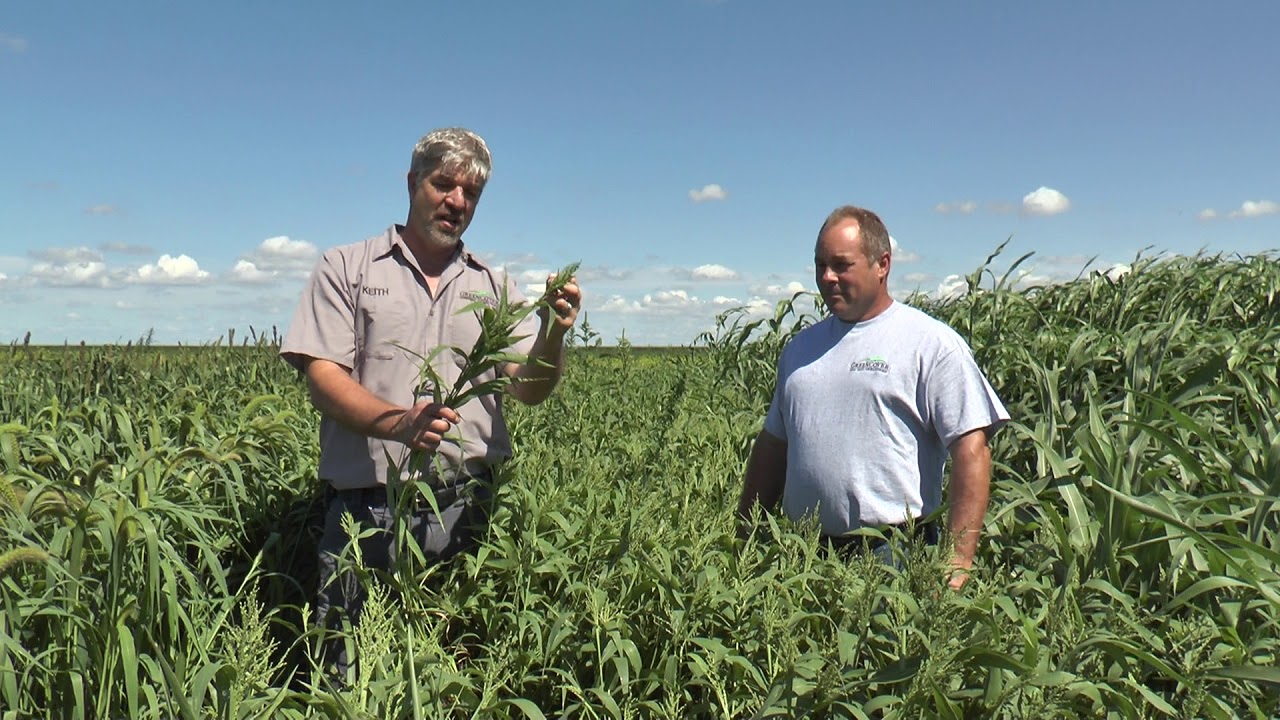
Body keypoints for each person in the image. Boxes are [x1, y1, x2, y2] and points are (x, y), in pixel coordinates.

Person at [279, 127, 581, 649]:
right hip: (365, 515)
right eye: (444, 184)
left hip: (467, 511)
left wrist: (554, 333)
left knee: (453, 676)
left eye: (472, 193)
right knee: (348, 676)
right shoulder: (346, 267)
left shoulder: (493, 287)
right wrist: (400, 424)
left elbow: (528, 390)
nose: (457, 201)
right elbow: (323, 378)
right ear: (413, 181)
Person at [737, 205, 1008, 589]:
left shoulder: (929, 344)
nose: (827, 277)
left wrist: (957, 561)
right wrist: (745, 536)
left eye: (841, 265)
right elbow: (772, 445)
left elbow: (972, 451)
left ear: (882, 264)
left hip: (891, 554)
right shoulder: (800, 349)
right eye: (820, 266)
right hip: (801, 553)